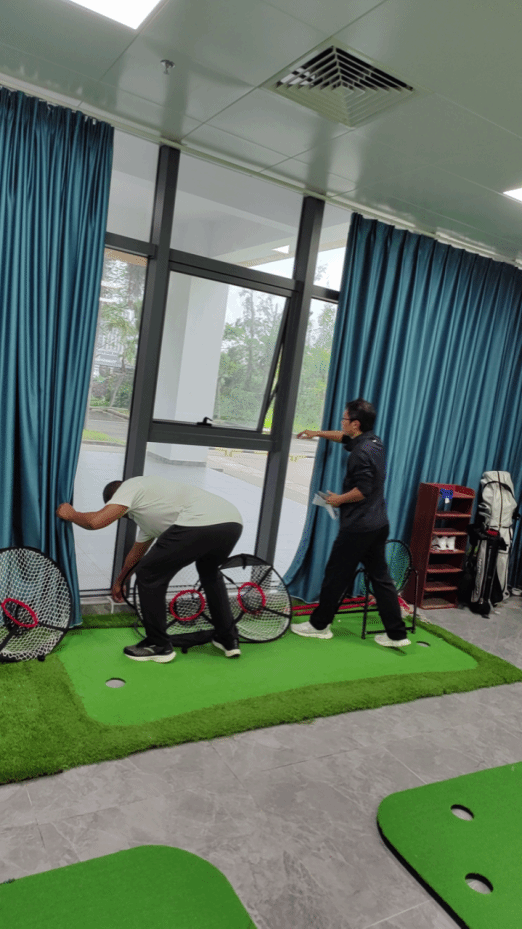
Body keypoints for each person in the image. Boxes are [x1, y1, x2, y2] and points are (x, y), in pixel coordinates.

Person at [56, 476, 243, 663]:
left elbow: (96, 521)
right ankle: (227, 638)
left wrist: (71, 514)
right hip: (231, 522)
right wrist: (120, 582)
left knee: (148, 573)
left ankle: (158, 645)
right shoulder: (150, 518)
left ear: (115, 499)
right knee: (209, 572)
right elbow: (135, 555)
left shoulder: (130, 486)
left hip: (199, 520)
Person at [292, 398, 411, 647]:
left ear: (355, 423)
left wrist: (338, 499)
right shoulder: (373, 442)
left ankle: (319, 625)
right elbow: (343, 437)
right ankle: (397, 635)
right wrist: (317, 433)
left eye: (344, 419)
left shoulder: (361, 453)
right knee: (381, 579)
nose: (341, 422)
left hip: (358, 528)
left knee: (335, 576)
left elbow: (362, 490)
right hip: (378, 524)